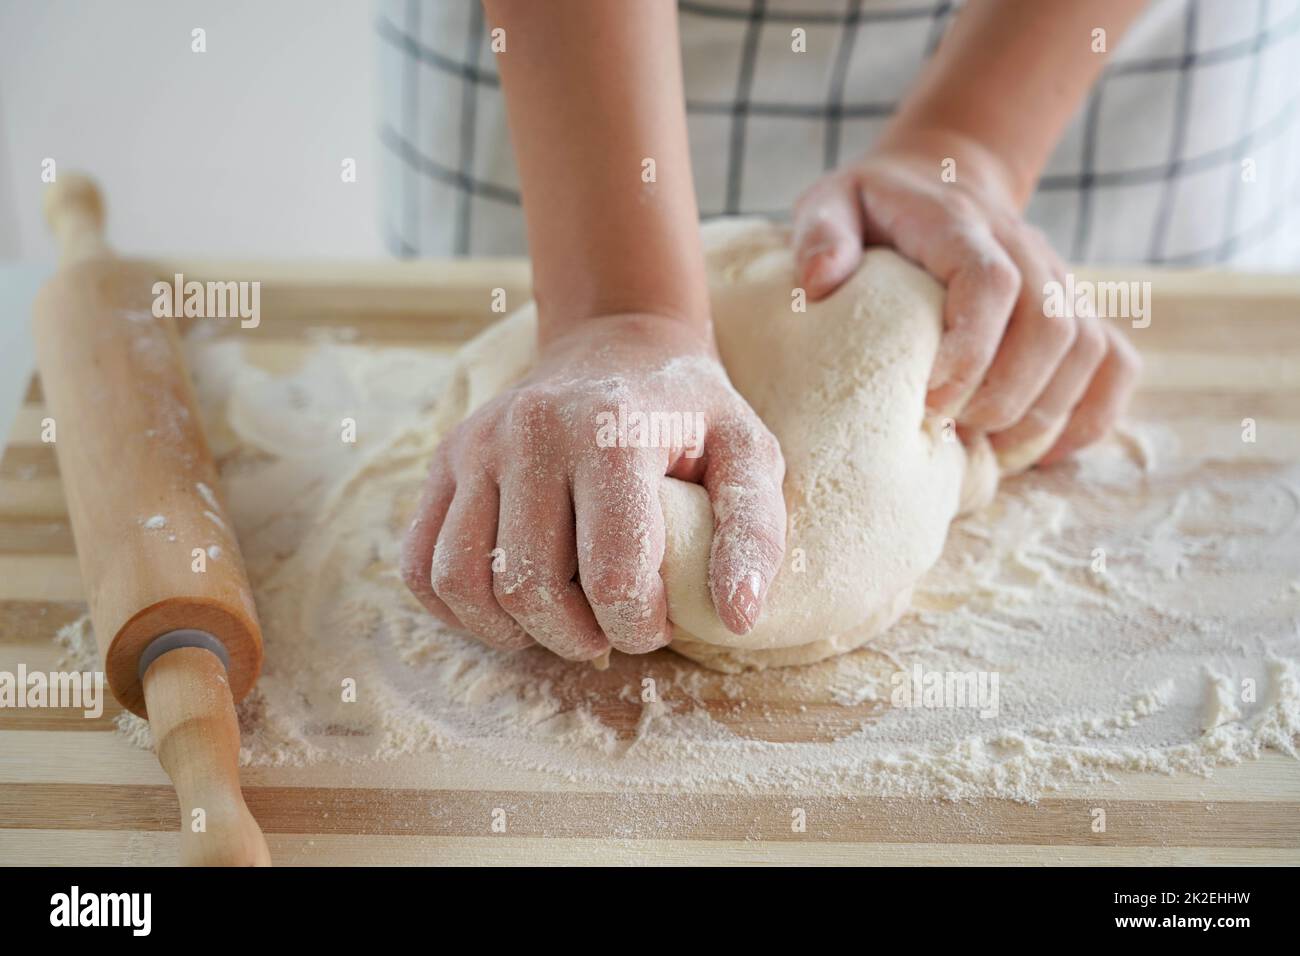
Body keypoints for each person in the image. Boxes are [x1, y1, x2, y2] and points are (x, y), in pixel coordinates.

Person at [394, 0, 1300, 662]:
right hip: (578, 74)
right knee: (573, 450)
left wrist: (973, 144)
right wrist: (612, 305)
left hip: (1087, 60)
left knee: (997, 333)